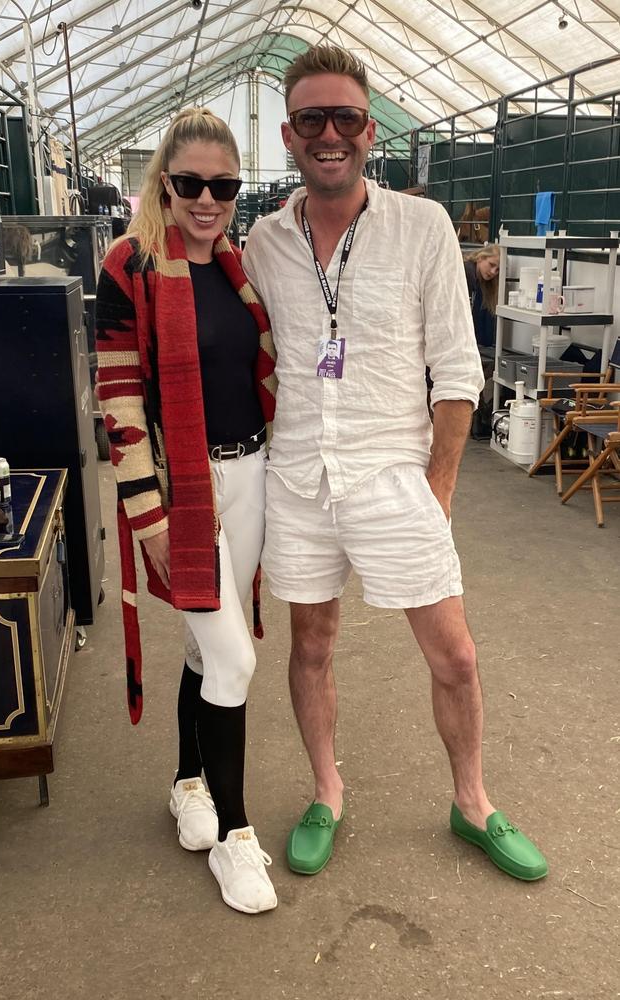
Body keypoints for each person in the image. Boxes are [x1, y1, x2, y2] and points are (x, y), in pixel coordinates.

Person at [242, 45, 547, 882]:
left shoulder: (422, 227)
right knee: (312, 644)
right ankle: (327, 790)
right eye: (313, 120)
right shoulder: (264, 243)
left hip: (393, 476)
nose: (330, 133)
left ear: (370, 129)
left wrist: (438, 489)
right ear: (290, 135)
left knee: (455, 655)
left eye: (345, 117)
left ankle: (473, 801)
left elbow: (457, 371)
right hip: (301, 478)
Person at [95, 108, 278, 915]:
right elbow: (119, 401)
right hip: (185, 492)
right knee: (234, 661)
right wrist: (153, 520)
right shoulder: (129, 265)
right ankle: (237, 838)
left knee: (209, 658)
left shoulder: (240, 268)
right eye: (192, 183)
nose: (208, 200)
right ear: (163, 180)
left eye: (224, 185)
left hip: (253, 480)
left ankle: (187, 783)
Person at [463, 244, 500, 438]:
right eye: (491, 265)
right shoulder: (466, 275)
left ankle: (479, 419)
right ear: (480, 258)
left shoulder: (476, 280)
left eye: (498, 269)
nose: (493, 272)